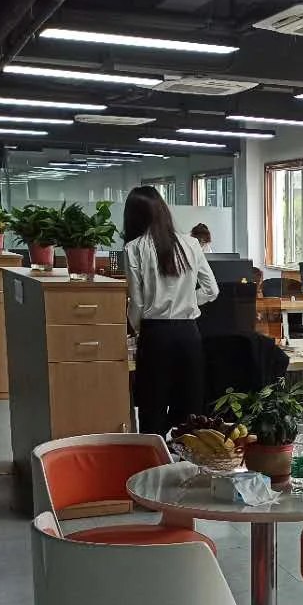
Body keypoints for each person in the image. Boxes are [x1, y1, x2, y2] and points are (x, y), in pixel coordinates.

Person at [125, 186, 218, 437]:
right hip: (189, 334)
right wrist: (187, 300)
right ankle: (187, 458)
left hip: (155, 334)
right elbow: (212, 290)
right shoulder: (191, 243)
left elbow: (137, 302)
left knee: (152, 407)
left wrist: (138, 329)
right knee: (190, 411)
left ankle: (154, 458)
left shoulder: (134, 248)